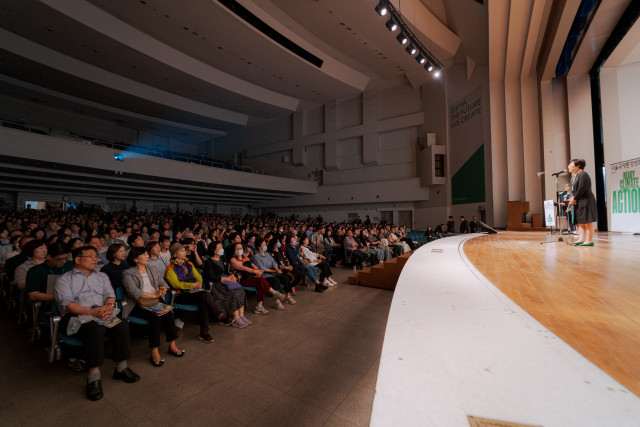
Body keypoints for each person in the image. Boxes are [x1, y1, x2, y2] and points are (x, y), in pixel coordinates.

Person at [54, 246, 140, 401]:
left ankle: (121, 367)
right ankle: (93, 376)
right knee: (95, 330)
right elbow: (69, 305)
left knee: (122, 325)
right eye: (91, 256)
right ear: (78, 259)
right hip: (78, 315)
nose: (96, 259)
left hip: (102, 313)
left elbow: (110, 295)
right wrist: (92, 313)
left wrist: (107, 308)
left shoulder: (101, 276)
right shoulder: (65, 279)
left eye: (96, 256)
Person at [122, 247, 184, 367]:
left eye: (146, 254)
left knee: (168, 313)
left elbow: (163, 283)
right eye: (143, 255)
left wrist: (162, 289)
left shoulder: (152, 268)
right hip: (139, 304)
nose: (147, 256)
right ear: (135, 259)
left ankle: (172, 345)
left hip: (156, 300)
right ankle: (154, 351)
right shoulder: (128, 273)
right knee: (157, 316)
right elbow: (134, 292)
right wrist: (153, 295)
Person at [164, 243, 223, 343]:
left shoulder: (189, 263)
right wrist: (192, 285)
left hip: (193, 292)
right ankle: (219, 314)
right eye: (181, 251)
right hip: (181, 294)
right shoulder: (170, 268)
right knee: (204, 295)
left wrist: (199, 283)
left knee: (203, 302)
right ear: (174, 254)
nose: (184, 253)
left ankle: (204, 332)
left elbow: (198, 276)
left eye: (184, 250)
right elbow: (176, 284)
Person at [202, 242, 250, 328]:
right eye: (219, 247)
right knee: (233, 293)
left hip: (227, 282)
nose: (222, 249)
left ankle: (241, 315)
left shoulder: (223, 260)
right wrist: (226, 279)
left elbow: (228, 271)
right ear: (214, 250)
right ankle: (236, 318)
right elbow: (212, 277)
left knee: (240, 291)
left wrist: (232, 276)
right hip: (217, 285)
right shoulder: (209, 262)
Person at [230, 242, 286, 314]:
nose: (239, 250)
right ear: (234, 250)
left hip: (251, 277)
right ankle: (274, 292)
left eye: (240, 248)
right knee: (260, 280)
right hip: (242, 279)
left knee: (261, 283)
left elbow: (252, 265)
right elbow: (243, 268)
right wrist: (254, 271)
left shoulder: (245, 257)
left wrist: (258, 271)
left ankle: (259, 306)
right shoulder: (233, 260)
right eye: (237, 249)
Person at [567, 158, 598, 246]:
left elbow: (582, 189)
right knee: (580, 221)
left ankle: (589, 240)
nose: (568, 166)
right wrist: (572, 198)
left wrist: (574, 198)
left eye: (570, 165)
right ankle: (582, 238)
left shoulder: (583, 175)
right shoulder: (574, 177)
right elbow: (573, 190)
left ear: (578, 166)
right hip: (579, 201)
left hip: (586, 201)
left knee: (587, 220)